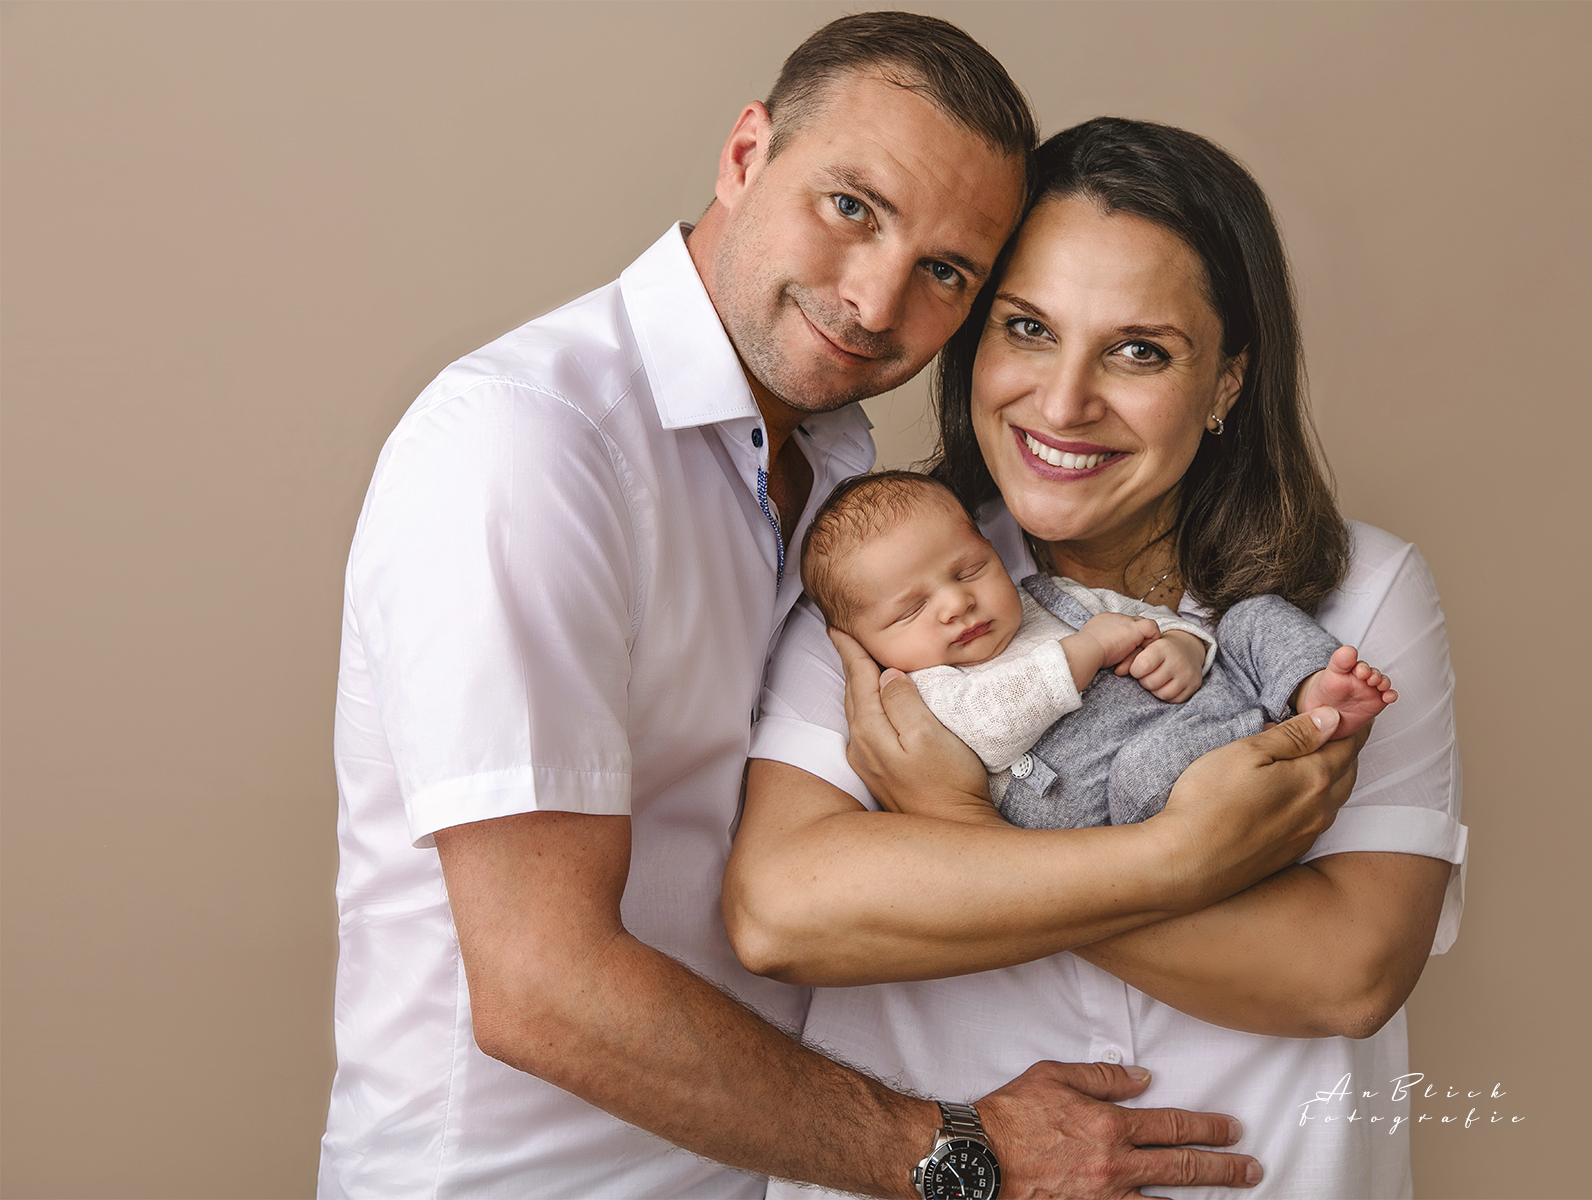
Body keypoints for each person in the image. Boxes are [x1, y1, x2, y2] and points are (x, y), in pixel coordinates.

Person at [320, 14, 1302, 1198]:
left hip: (755, 1168)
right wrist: (961, 1153)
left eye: (947, 272)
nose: (877, 302)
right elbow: (543, 988)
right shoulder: (531, 446)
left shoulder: (839, 468)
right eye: (852, 206)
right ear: (746, 154)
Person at [729, 117, 1468, 1199]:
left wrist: (955, 822)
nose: (1065, 402)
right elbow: (786, 911)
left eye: (1139, 351)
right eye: (1028, 328)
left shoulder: (1364, 595)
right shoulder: (885, 579)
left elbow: (1347, 971)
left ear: (1228, 382)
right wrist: (1183, 857)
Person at [798, 470, 1397, 828]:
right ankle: (1269, 733)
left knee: (1250, 615)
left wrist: (1183, 645)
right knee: (1146, 772)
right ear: (867, 645)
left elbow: (1143, 618)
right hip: (1100, 789)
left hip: (1199, 707)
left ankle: (1308, 686)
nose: (956, 603)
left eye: (969, 569)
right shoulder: (920, 688)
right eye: (911, 610)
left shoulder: (1045, 595)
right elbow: (990, 730)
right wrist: (1082, 652)